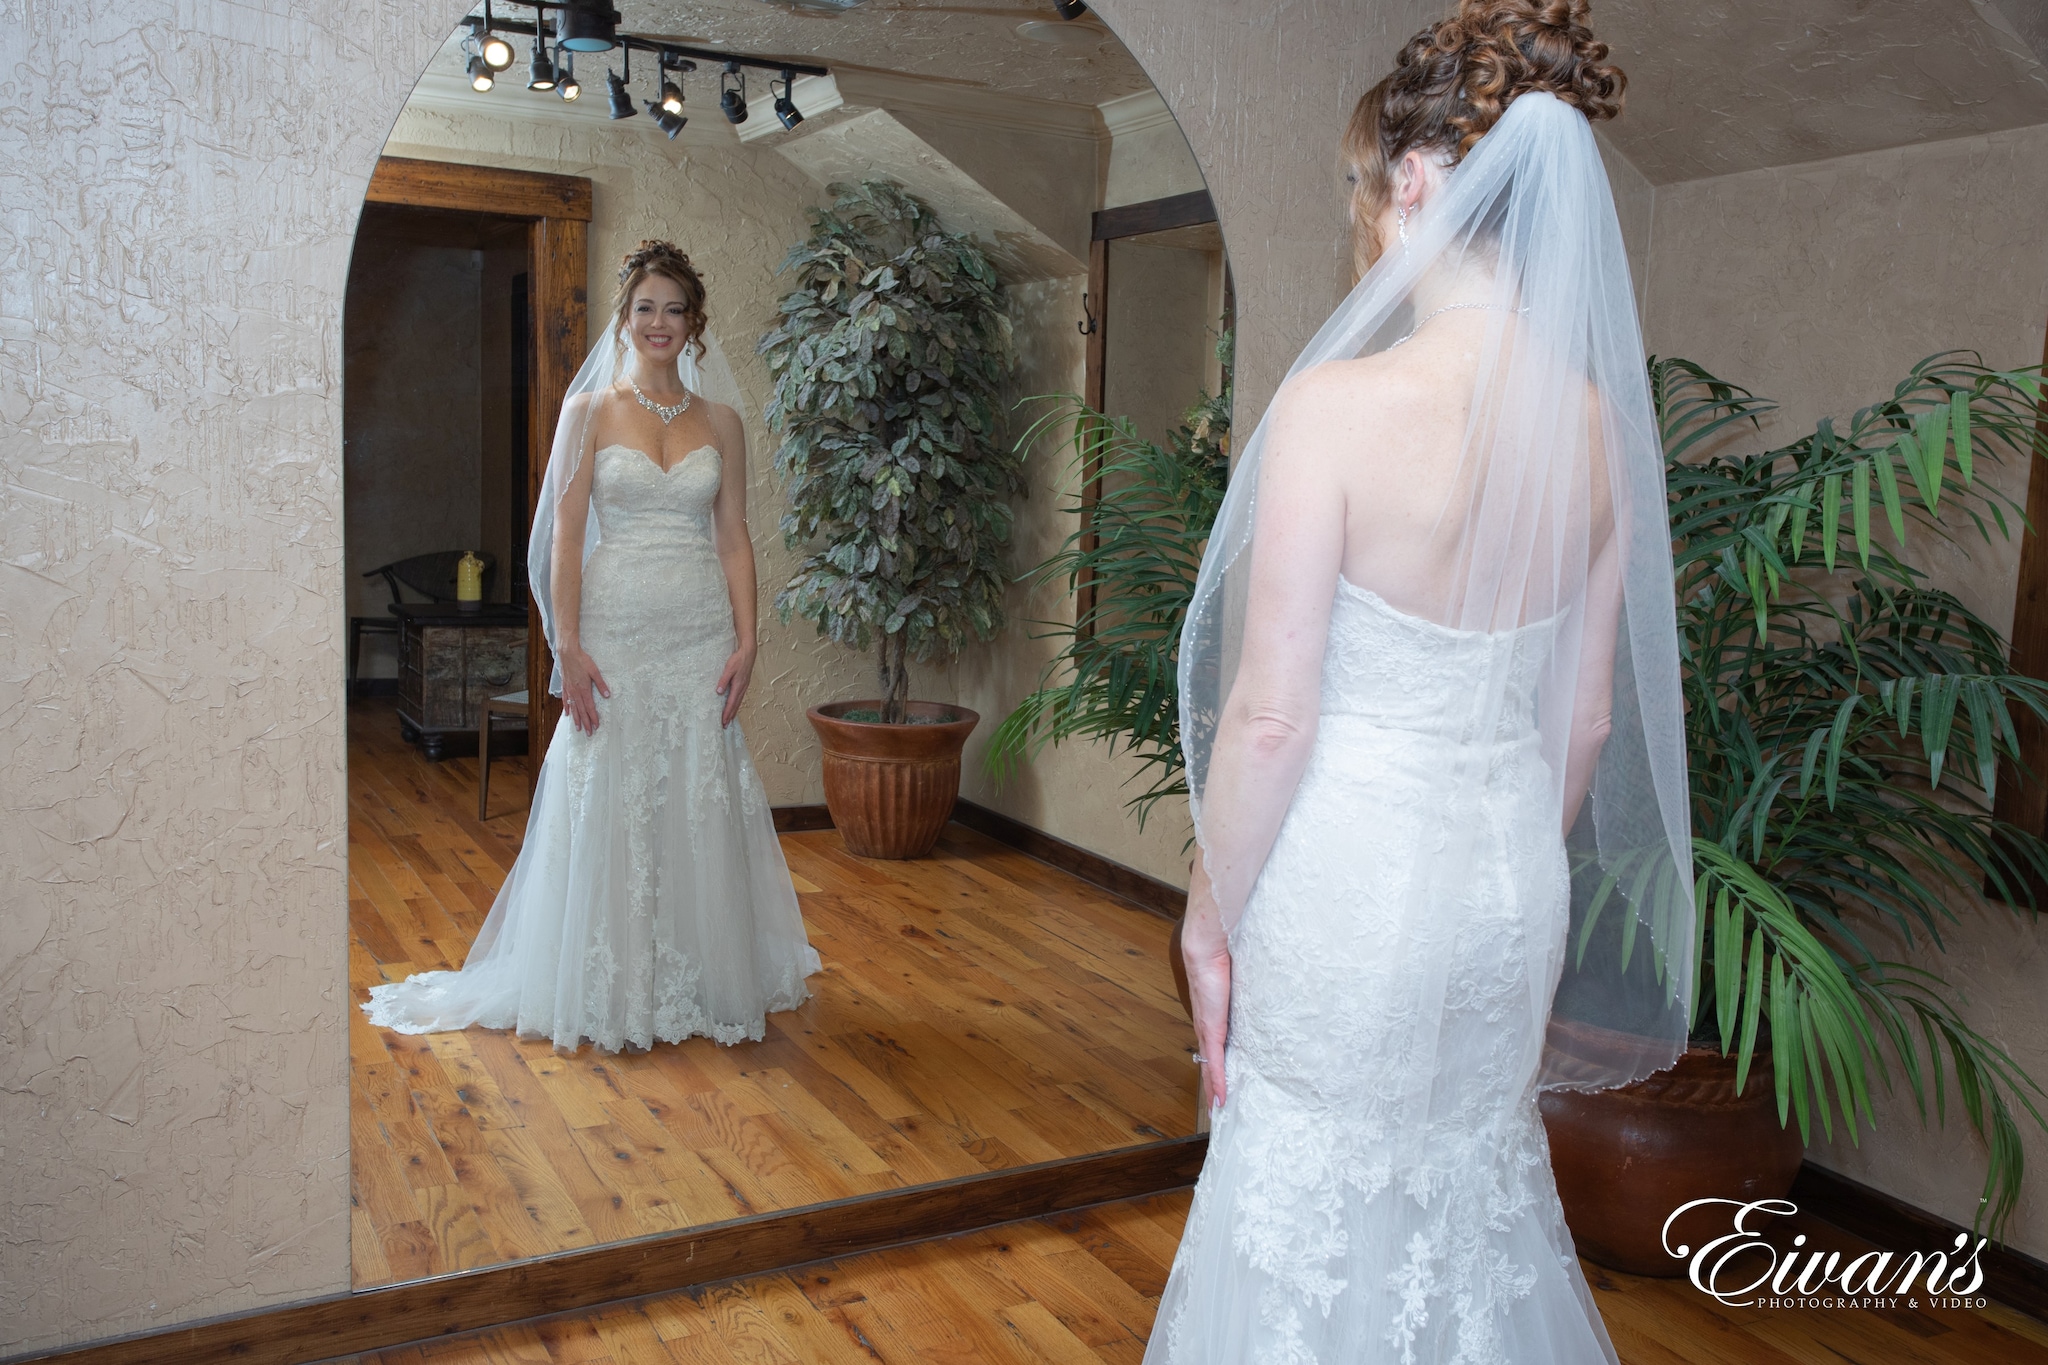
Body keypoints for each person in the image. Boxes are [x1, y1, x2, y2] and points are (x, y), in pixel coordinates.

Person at [1152, 2, 1695, 1361]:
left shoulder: (1338, 410)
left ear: (1412, 180)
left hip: (1350, 880)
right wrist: (1496, 838)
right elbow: (1583, 721)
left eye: (1365, 188)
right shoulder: (1596, 438)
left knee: (1314, 1199)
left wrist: (1208, 919)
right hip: (1507, 884)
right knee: (1470, 1195)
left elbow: (1275, 716)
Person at [364, 241, 820, 1053]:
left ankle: (698, 971)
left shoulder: (723, 422)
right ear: (624, 318)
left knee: (696, 786)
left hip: (698, 632)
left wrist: (750, 640)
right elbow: (563, 540)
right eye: (645, 307)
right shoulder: (590, 413)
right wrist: (565, 645)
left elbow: (736, 536)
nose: (659, 323)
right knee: (606, 782)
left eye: (674, 308)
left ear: (694, 323)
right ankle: (604, 976)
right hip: (612, 629)